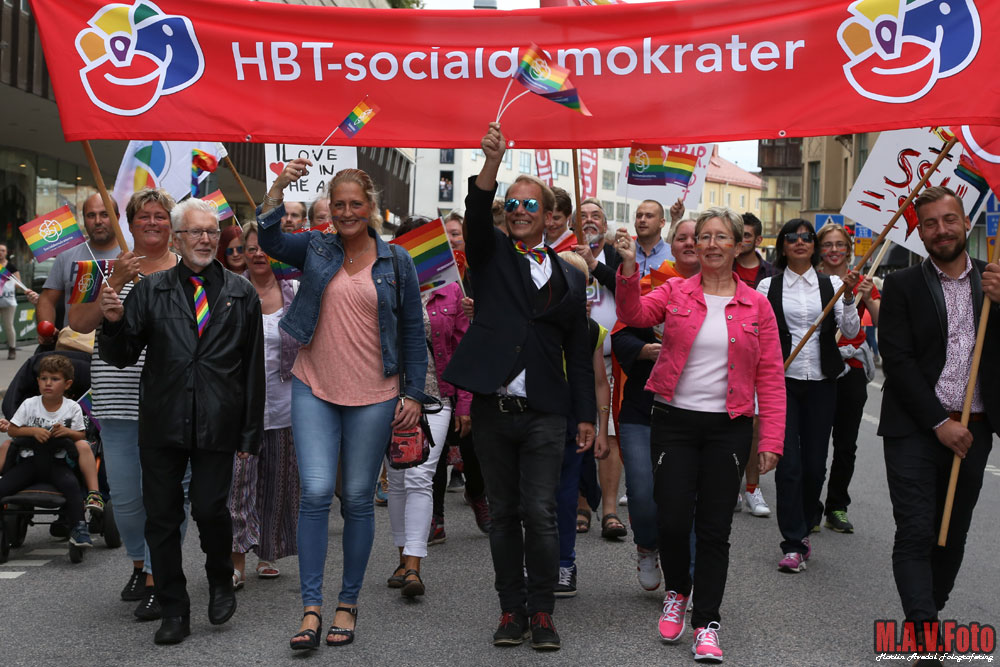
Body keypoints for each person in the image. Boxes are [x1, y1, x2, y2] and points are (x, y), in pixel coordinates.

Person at [258, 161, 427, 651]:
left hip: (375, 394)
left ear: (371, 207)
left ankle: (347, 604)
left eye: (356, 204)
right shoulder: (316, 247)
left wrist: (414, 394)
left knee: (356, 498)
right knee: (314, 492)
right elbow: (269, 240)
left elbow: (412, 332)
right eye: (339, 205)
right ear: (329, 209)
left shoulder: (397, 260)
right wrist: (278, 188)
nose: (347, 212)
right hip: (314, 385)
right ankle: (311, 607)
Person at [442, 122, 595, 652]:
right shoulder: (489, 256)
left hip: (547, 412)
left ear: (550, 216)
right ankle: (511, 609)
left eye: (531, 205)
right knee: (505, 514)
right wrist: (492, 162)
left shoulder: (572, 276)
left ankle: (543, 610)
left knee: (541, 512)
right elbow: (475, 211)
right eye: (512, 204)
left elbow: (579, 352)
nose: (520, 211)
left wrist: (586, 416)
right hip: (493, 408)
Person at [615, 206, 785, 662]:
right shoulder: (674, 291)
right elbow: (632, 312)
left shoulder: (757, 304)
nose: (710, 244)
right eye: (703, 236)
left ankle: (707, 623)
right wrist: (628, 270)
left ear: (738, 244)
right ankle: (677, 590)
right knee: (671, 519)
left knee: (714, 529)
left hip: (729, 428)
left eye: (720, 237)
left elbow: (771, 375)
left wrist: (771, 439)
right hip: (673, 421)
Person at [98, 197, 265, 645]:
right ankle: (174, 607)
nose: (205, 239)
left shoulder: (241, 293)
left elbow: (253, 369)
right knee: (162, 518)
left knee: (210, 509)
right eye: (195, 232)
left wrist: (250, 434)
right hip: (163, 422)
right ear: (177, 238)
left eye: (212, 231)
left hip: (218, 422)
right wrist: (112, 323)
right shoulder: (151, 290)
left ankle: (219, 577)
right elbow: (121, 355)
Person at [878, 186, 1000, 658]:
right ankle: (925, 632)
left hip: (974, 429)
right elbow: (898, 360)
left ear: (966, 223)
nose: (941, 230)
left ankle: (928, 607)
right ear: (920, 232)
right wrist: (937, 423)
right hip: (914, 426)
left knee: (952, 533)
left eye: (949, 220)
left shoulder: (992, 281)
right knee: (916, 529)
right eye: (930, 223)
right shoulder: (903, 285)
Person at [68, 188, 180, 621]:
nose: (152, 222)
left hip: (170, 402)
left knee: (166, 497)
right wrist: (114, 281)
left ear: (170, 223)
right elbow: (78, 322)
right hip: (116, 400)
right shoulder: (98, 268)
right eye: (143, 216)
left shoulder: (186, 267)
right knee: (129, 499)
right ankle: (138, 563)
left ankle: (156, 575)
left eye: (160, 216)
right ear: (128, 225)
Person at [757, 219, 859, 573]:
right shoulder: (767, 286)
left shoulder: (832, 284)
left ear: (814, 246)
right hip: (781, 383)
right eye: (792, 238)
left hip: (822, 382)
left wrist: (849, 297)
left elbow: (850, 329)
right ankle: (793, 541)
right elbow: (757, 332)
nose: (800, 242)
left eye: (806, 237)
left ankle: (806, 521)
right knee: (789, 466)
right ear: (783, 246)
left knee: (815, 465)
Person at [384, 216, 469, 598]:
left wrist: (465, 404)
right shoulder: (381, 287)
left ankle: (414, 565)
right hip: (387, 395)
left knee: (420, 477)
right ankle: (402, 557)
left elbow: (464, 348)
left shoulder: (451, 291)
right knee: (398, 478)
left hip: (435, 396)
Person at [228, 222, 301, 588]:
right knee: (239, 485)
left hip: (287, 406)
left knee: (278, 482)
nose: (258, 254)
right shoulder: (230, 292)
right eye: (250, 248)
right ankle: (236, 560)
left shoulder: (296, 291)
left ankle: (268, 552)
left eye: (264, 248)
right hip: (241, 409)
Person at [553, 250, 611, 598]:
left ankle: (565, 563)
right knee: (535, 496)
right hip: (538, 417)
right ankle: (535, 559)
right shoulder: (536, 324)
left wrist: (602, 427)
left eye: (581, 284)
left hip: (575, 422)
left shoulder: (591, 330)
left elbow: (600, 381)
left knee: (565, 496)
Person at [1, 354, 104, 548]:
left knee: (72, 488)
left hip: (58, 463)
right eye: (44, 378)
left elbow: (81, 434)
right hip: (29, 462)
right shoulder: (29, 404)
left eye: (54, 379)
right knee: (3, 487)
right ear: (38, 381)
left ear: (67, 384)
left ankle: (79, 528)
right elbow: (13, 430)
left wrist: (66, 432)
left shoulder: (72, 408)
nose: (48, 383)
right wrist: (33, 431)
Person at [816, 223, 880, 534]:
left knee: (845, 444)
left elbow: (883, 321)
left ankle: (837, 507)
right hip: (816, 369)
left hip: (851, 369)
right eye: (827, 244)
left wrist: (869, 297)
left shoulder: (864, 280)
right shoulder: (809, 281)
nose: (834, 250)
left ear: (849, 249)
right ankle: (809, 506)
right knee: (813, 441)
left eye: (839, 244)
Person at [572, 198, 626, 541]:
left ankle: (609, 509)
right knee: (581, 429)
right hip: (575, 361)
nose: (589, 221)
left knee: (611, 434)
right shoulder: (563, 254)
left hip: (611, 360)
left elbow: (630, 291)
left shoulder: (617, 258)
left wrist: (595, 265)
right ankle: (581, 504)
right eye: (583, 216)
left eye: (596, 216)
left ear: (605, 226)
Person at [733, 212, 778, 517]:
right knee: (729, 425)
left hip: (757, 358)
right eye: (738, 235)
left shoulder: (772, 275)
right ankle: (730, 485)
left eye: (747, 235)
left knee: (754, 426)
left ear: (758, 239)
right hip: (725, 357)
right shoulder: (721, 268)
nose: (741, 241)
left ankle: (752, 488)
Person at [37, 194, 120, 335]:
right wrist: (47, 327)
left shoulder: (132, 255)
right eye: (91, 215)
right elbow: (47, 299)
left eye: (105, 214)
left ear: (117, 217)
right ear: (84, 220)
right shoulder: (66, 256)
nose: (98, 221)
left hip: (120, 345)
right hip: (73, 344)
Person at [0, 243, 39, 359]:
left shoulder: (11, 267)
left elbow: (18, 283)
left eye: (3, 250)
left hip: (8, 300)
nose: (0, 253)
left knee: (8, 325)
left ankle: (12, 348)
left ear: (6, 252)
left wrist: (5, 281)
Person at [544, 187, 576, 252]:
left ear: (568, 216)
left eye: (556, 218)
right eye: (546, 217)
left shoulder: (576, 247)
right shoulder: (532, 243)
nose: (550, 223)